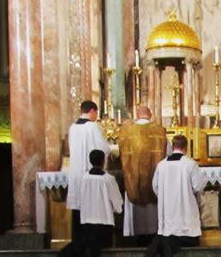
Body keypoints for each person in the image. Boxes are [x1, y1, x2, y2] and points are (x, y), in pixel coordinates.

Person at [147, 134, 208, 256]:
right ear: (186, 148)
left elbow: (155, 187)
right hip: (187, 218)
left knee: (167, 237)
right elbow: (198, 186)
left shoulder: (161, 165)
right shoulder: (190, 164)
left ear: (173, 147)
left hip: (167, 218)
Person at [59, 149, 123, 257]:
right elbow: (118, 204)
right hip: (104, 226)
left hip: (86, 224)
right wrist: (116, 208)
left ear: (90, 161)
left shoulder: (84, 178)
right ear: (103, 161)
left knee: (86, 246)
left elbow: (79, 200)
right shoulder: (109, 179)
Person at [118, 106, 167, 242]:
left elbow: (120, 154)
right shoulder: (160, 131)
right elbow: (166, 154)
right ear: (150, 115)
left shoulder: (126, 131)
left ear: (137, 115)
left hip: (134, 181)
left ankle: (135, 234)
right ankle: (154, 234)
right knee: (153, 214)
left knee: (136, 212)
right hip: (154, 182)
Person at [66, 100, 111, 241]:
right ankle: (91, 240)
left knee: (78, 210)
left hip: (75, 174)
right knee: (91, 208)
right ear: (92, 111)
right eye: (96, 113)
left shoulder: (72, 128)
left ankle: (77, 240)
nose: (96, 116)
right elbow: (103, 149)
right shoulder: (92, 127)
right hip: (90, 174)